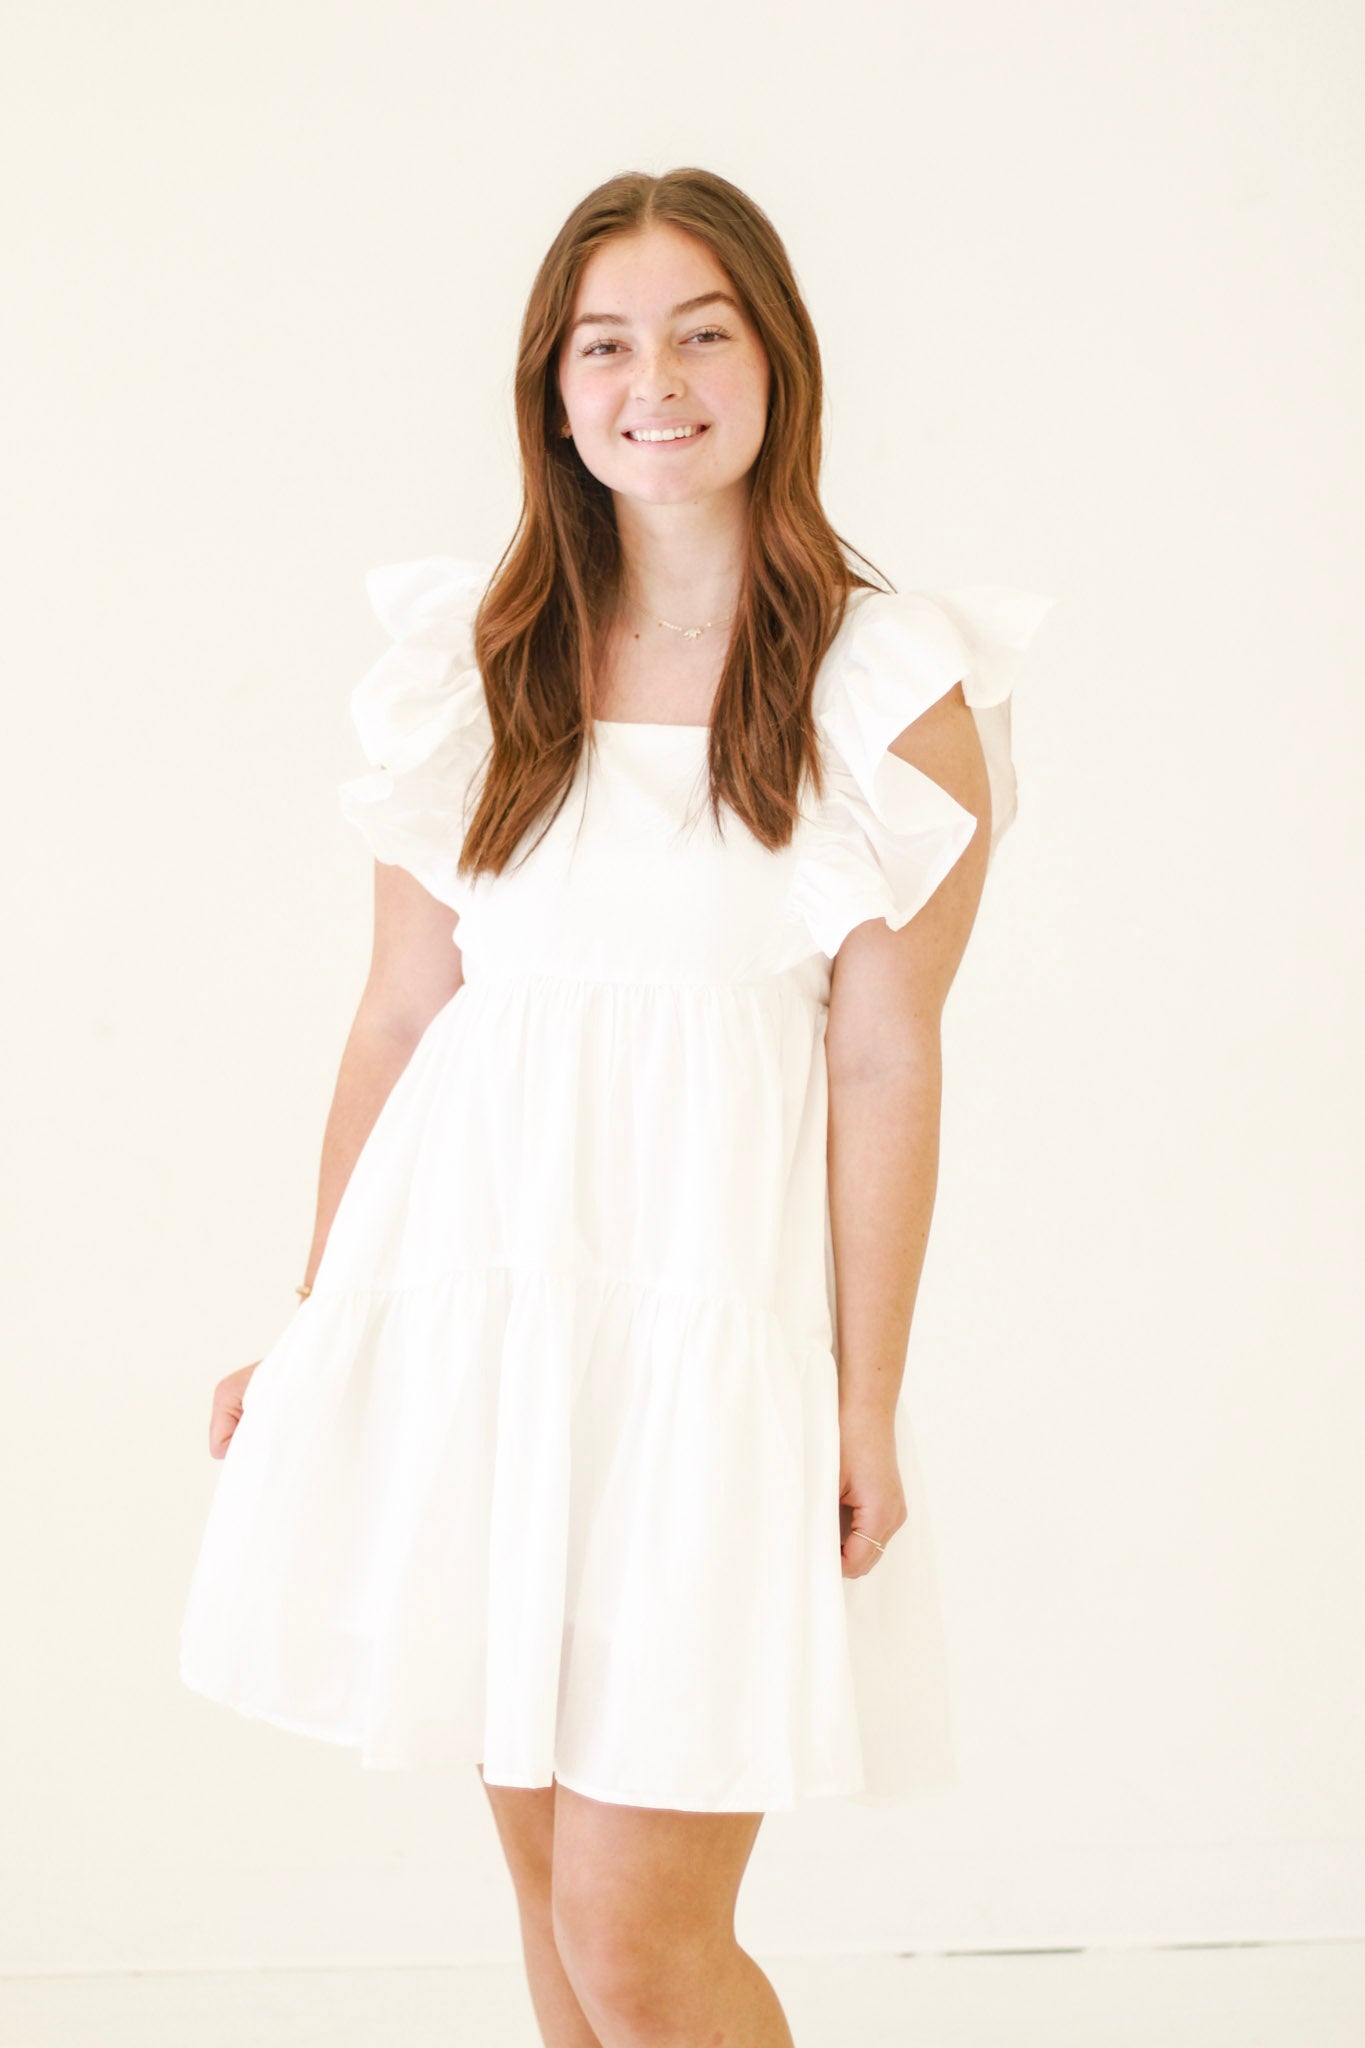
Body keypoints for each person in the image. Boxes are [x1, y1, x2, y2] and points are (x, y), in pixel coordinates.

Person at [179, 166, 1055, 2046]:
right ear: (554, 394)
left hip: (706, 1354)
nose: (654, 381)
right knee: (553, 1920)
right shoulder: (477, 668)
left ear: (776, 363)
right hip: (487, 1332)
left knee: (637, 1936)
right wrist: (318, 1319)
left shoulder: (884, 686)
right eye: (605, 346)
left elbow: (886, 1057)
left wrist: (866, 1399)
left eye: (701, 333)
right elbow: (401, 1014)